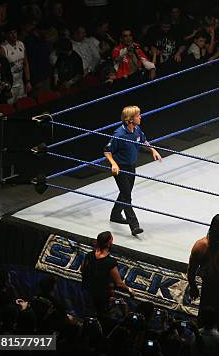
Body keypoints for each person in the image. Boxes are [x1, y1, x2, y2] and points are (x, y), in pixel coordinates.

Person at [103, 105, 162, 235]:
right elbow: (107, 151)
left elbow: (144, 140)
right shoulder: (119, 134)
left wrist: (153, 150)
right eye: (137, 115)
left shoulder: (136, 129)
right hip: (120, 168)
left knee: (126, 191)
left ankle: (115, 215)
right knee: (127, 196)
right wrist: (114, 164)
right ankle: (134, 226)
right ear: (129, 119)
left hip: (131, 166)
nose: (140, 117)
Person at [80, 231, 134, 316]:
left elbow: (82, 269)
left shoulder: (89, 255)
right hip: (101, 296)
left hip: (87, 291)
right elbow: (119, 283)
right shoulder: (110, 262)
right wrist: (129, 290)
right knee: (100, 314)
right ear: (109, 243)